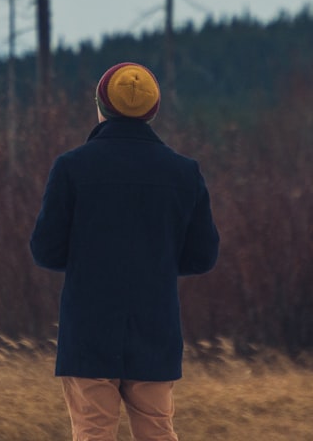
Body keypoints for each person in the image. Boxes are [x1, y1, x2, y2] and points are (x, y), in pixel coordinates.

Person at [30, 62, 220, 441]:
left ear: (100, 105)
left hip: (88, 331)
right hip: (155, 329)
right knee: (158, 434)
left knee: (93, 433)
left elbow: (45, 251)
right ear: (152, 111)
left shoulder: (71, 167)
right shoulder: (184, 172)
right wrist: (158, 261)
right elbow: (203, 257)